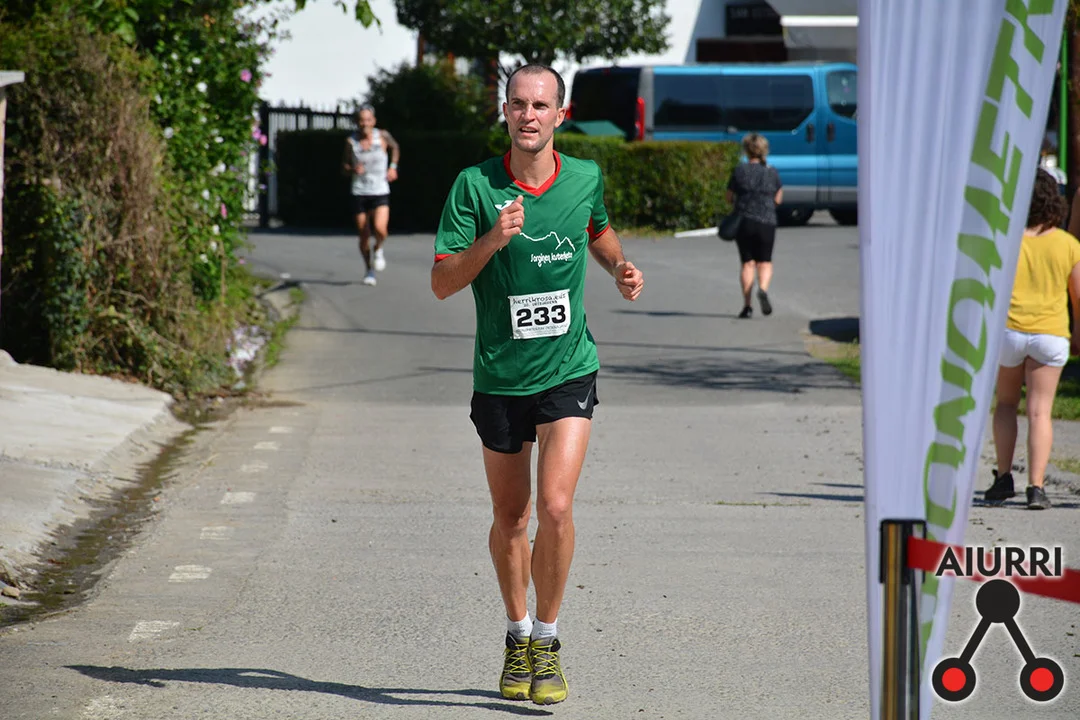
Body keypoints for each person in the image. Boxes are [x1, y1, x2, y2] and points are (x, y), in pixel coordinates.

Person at [430, 63, 643, 705]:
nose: (529, 115)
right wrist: (492, 240)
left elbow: (597, 230)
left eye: (541, 105)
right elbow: (441, 282)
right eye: (518, 104)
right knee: (511, 516)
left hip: (568, 367)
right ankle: (517, 630)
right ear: (505, 112)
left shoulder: (584, 176)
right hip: (500, 374)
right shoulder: (474, 186)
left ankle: (547, 640)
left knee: (554, 506)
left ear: (560, 114)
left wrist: (619, 266)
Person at [984, 168, 1080, 510]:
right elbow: (1078, 296)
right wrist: (1077, 333)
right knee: (1040, 412)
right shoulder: (1068, 244)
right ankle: (1036, 487)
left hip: (1009, 332)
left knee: (1006, 404)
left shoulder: (1004, 241)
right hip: (1050, 333)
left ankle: (1003, 478)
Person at [725, 133, 783, 319]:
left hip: (744, 222)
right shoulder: (771, 172)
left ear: (746, 150)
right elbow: (778, 199)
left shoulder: (739, 170)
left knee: (748, 263)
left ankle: (747, 306)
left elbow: (729, 197)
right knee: (765, 262)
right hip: (767, 222)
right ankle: (763, 289)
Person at [342, 104, 399, 286]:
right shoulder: (351, 142)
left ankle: (379, 248)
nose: (364, 124)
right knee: (363, 233)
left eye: (368, 120)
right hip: (360, 191)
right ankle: (369, 269)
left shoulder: (382, 136)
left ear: (373, 121)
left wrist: (392, 167)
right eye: (361, 120)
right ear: (357, 122)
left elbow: (395, 147)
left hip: (380, 190)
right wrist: (352, 169)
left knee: (381, 229)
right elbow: (344, 166)